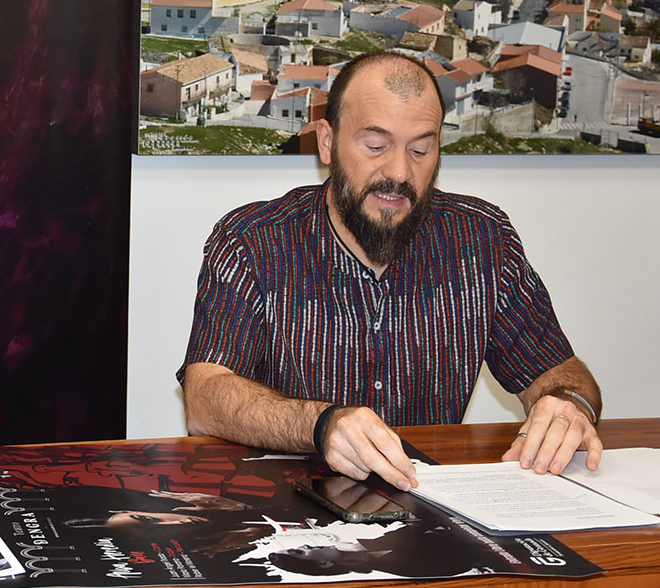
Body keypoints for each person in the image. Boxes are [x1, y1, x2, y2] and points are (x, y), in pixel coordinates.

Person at [179, 51, 601, 493]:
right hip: (287, 503)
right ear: (327, 142)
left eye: (421, 149)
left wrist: (568, 405)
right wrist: (320, 424)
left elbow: (562, 374)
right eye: (376, 146)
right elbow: (205, 398)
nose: (400, 171)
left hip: (433, 501)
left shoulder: (482, 240)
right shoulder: (253, 241)